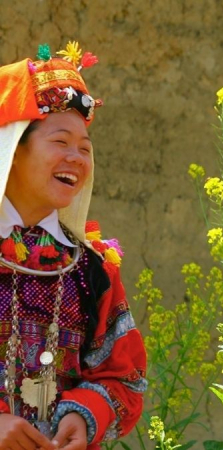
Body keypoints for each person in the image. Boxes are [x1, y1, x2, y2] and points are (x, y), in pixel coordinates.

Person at [0, 43, 147, 449]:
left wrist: (86, 416)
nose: (77, 158)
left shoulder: (89, 269)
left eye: (85, 148)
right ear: (13, 150)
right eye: (61, 142)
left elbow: (124, 377)